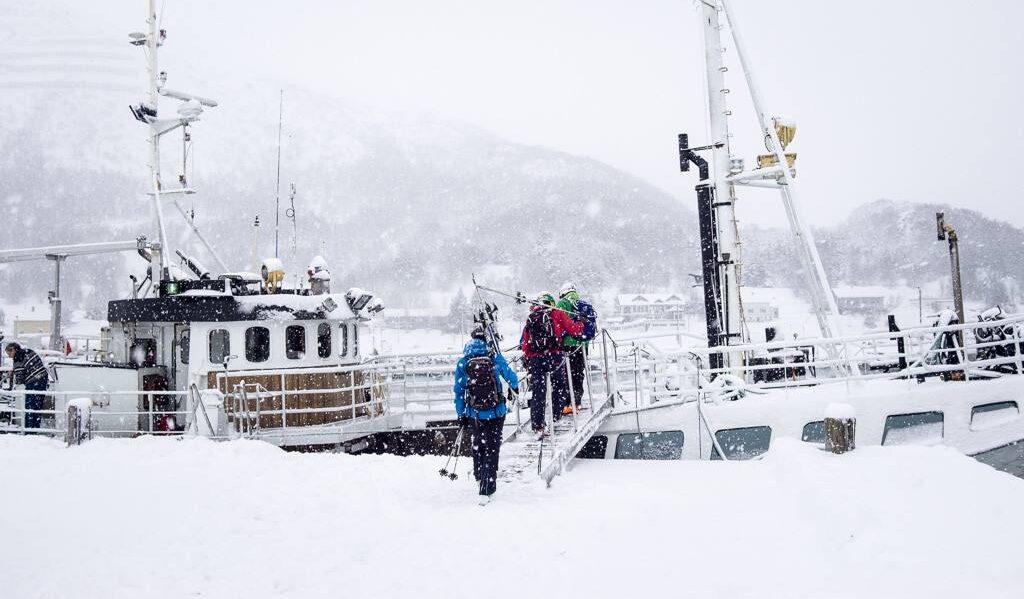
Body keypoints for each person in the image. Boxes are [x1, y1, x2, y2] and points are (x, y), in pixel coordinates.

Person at [453, 327, 519, 505]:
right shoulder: (494, 357)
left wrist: (461, 414)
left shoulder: (463, 362)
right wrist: (515, 388)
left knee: (478, 445)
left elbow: (458, 392)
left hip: (474, 413)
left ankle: (479, 477)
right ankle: (488, 488)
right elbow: (511, 376)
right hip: (496, 411)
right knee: (492, 448)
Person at [519, 293, 585, 438]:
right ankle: (555, 415)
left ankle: (538, 426)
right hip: (554, 356)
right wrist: (580, 322)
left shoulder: (532, 317)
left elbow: (525, 343)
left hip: (536, 359)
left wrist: (529, 356)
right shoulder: (557, 314)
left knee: (538, 393)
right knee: (560, 386)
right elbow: (574, 330)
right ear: (551, 302)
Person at [556, 282, 590, 413]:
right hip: (582, 344)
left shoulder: (563, 303)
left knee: (566, 374)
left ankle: (567, 404)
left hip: (568, 344)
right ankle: (577, 402)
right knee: (578, 373)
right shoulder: (582, 303)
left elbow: (557, 323)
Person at [5, 342, 49, 430]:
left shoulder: (17, 359)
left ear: (13, 350)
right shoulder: (28, 351)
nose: (9, 356)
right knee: (37, 406)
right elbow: (27, 365)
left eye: (9, 353)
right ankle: (35, 427)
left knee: (29, 407)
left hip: (33, 382)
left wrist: (13, 375)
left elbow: (20, 379)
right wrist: (15, 370)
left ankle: (29, 429)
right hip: (43, 378)